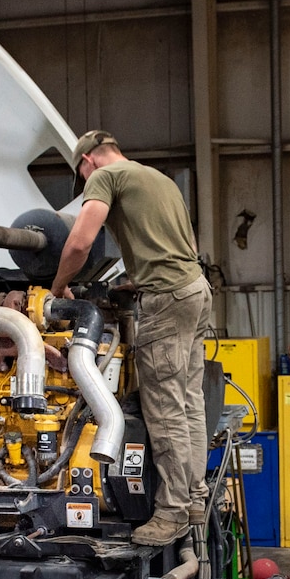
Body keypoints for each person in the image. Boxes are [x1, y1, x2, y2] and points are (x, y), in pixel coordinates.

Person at [51, 130, 209, 547]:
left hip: (167, 299)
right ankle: (194, 496)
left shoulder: (105, 178)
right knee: (189, 402)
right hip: (194, 290)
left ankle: (171, 513)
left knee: (165, 411)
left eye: (81, 177)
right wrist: (134, 281)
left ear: (87, 161)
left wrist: (58, 288)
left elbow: (80, 243)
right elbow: (184, 245)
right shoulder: (158, 179)